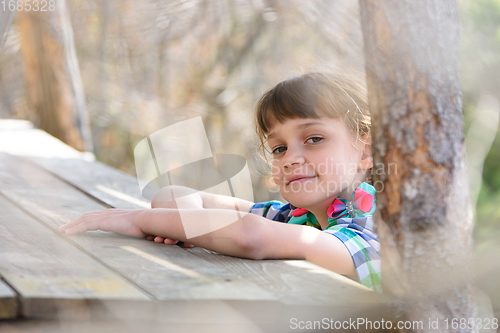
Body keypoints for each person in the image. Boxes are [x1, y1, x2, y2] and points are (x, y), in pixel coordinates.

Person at [59, 71, 381, 292]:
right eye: (279, 148)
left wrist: (141, 220)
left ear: (365, 151)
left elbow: (252, 235)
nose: (291, 158)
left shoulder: (371, 228)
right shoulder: (295, 216)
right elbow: (172, 195)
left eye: (313, 138)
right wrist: (186, 226)